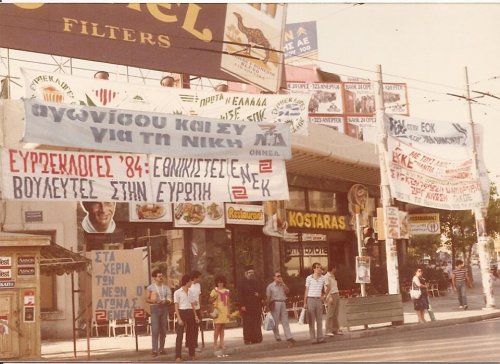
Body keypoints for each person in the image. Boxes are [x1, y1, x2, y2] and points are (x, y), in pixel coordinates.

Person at [146, 269, 172, 357]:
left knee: (163, 330)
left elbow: (169, 298)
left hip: (164, 308)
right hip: (155, 308)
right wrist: (153, 301)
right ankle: (154, 350)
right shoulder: (150, 287)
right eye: (159, 276)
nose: (161, 278)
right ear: (154, 278)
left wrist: (166, 301)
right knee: (155, 330)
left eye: (161, 276)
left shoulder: (166, 287)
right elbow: (147, 299)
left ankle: (162, 349)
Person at [174, 274, 200, 362]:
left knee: (191, 334)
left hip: (190, 312)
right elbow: (176, 306)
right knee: (179, 335)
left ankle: (192, 354)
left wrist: (195, 315)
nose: (191, 283)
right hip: (182, 312)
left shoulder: (191, 292)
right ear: (186, 282)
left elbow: (193, 305)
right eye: (190, 281)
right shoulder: (177, 292)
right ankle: (178, 356)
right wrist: (179, 318)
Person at [265, 272, 296, 347]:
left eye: (280, 276)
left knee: (285, 321)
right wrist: (267, 307)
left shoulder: (282, 285)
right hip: (275, 303)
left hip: (283, 302)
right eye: (278, 276)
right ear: (274, 277)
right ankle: (277, 336)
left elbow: (287, 291)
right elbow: (268, 297)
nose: (279, 277)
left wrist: (283, 284)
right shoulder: (270, 286)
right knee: (275, 321)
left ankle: (289, 337)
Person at [239, 264, 263, 345]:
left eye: (253, 272)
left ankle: (257, 338)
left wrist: (258, 295)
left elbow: (262, 293)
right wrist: (242, 305)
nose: (251, 274)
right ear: (246, 273)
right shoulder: (242, 282)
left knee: (256, 322)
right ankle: (247, 339)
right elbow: (240, 295)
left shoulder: (257, 281)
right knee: (247, 323)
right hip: (246, 306)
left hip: (256, 305)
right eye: (250, 272)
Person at [303, 262, 326, 344]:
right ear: (314, 269)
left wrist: (324, 296)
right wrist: (305, 302)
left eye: (320, 267)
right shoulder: (309, 278)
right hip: (310, 299)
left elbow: (328, 287)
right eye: (317, 267)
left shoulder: (323, 278)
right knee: (311, 319)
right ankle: (312, 338)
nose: (319, 269)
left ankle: (320, 337)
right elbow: (306, 290)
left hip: (318, 300)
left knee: (319, 319)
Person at [209, 275, 231, 358]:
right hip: (218, 310)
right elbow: (210, 300)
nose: (220, 283)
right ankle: (215, 343)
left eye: (221, 282)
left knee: (222, 327)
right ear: (217, 283)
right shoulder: (214, 290)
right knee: (217, 327)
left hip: (224, 310)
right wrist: (215, 296)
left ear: (224, 283)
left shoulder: (227, 291)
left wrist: (229, 312)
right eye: (219, 282)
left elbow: (228, 302)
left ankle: (222, 343)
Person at [324, 264, 342, 336]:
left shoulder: (333, 276)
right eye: (335, 268)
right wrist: (329, 297)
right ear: (333, 268)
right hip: (331, 295)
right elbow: (327, 288)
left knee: (335, 313)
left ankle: (335, 329)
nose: (336, 270)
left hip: (336, 294)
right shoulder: (326, 277)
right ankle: (328, 330)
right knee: (330, 313)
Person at [188, 270, 202, 353]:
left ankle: (195, 344)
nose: (200, 279)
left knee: (196, 327)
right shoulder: (190, 285)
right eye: (199, 277)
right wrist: (193, 301)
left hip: (197, 308)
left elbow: (199, 295)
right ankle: (189, 344)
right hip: (190, 308)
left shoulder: (198, 285)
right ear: (195, 277)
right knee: (191, 327)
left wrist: (200, 306)